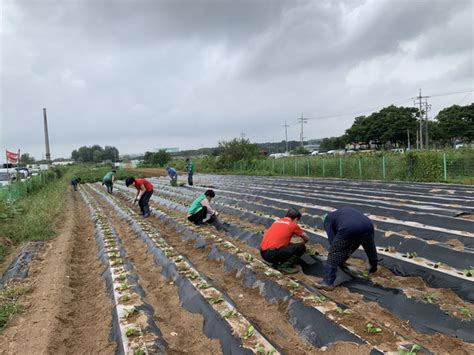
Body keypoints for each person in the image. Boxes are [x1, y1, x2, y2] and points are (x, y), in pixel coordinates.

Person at [316, 207, 378, 291]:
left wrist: (335, 251)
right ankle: (373, 268)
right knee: (370, 249)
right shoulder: (341, 213)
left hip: (349, 228)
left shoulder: (327, 220)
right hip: (368, 225)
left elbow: (332, 240)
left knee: (334, 254)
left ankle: (327, 282)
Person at [259, 208, 309, 274]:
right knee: (301, 247)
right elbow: (306, 237)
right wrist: (303, 243)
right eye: (297, 220)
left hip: (263, 252)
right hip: (271, 255)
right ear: (296, 219)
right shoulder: (292, 224)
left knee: (289, 244)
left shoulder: (277, 221)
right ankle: (284, 266)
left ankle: (276, 262)